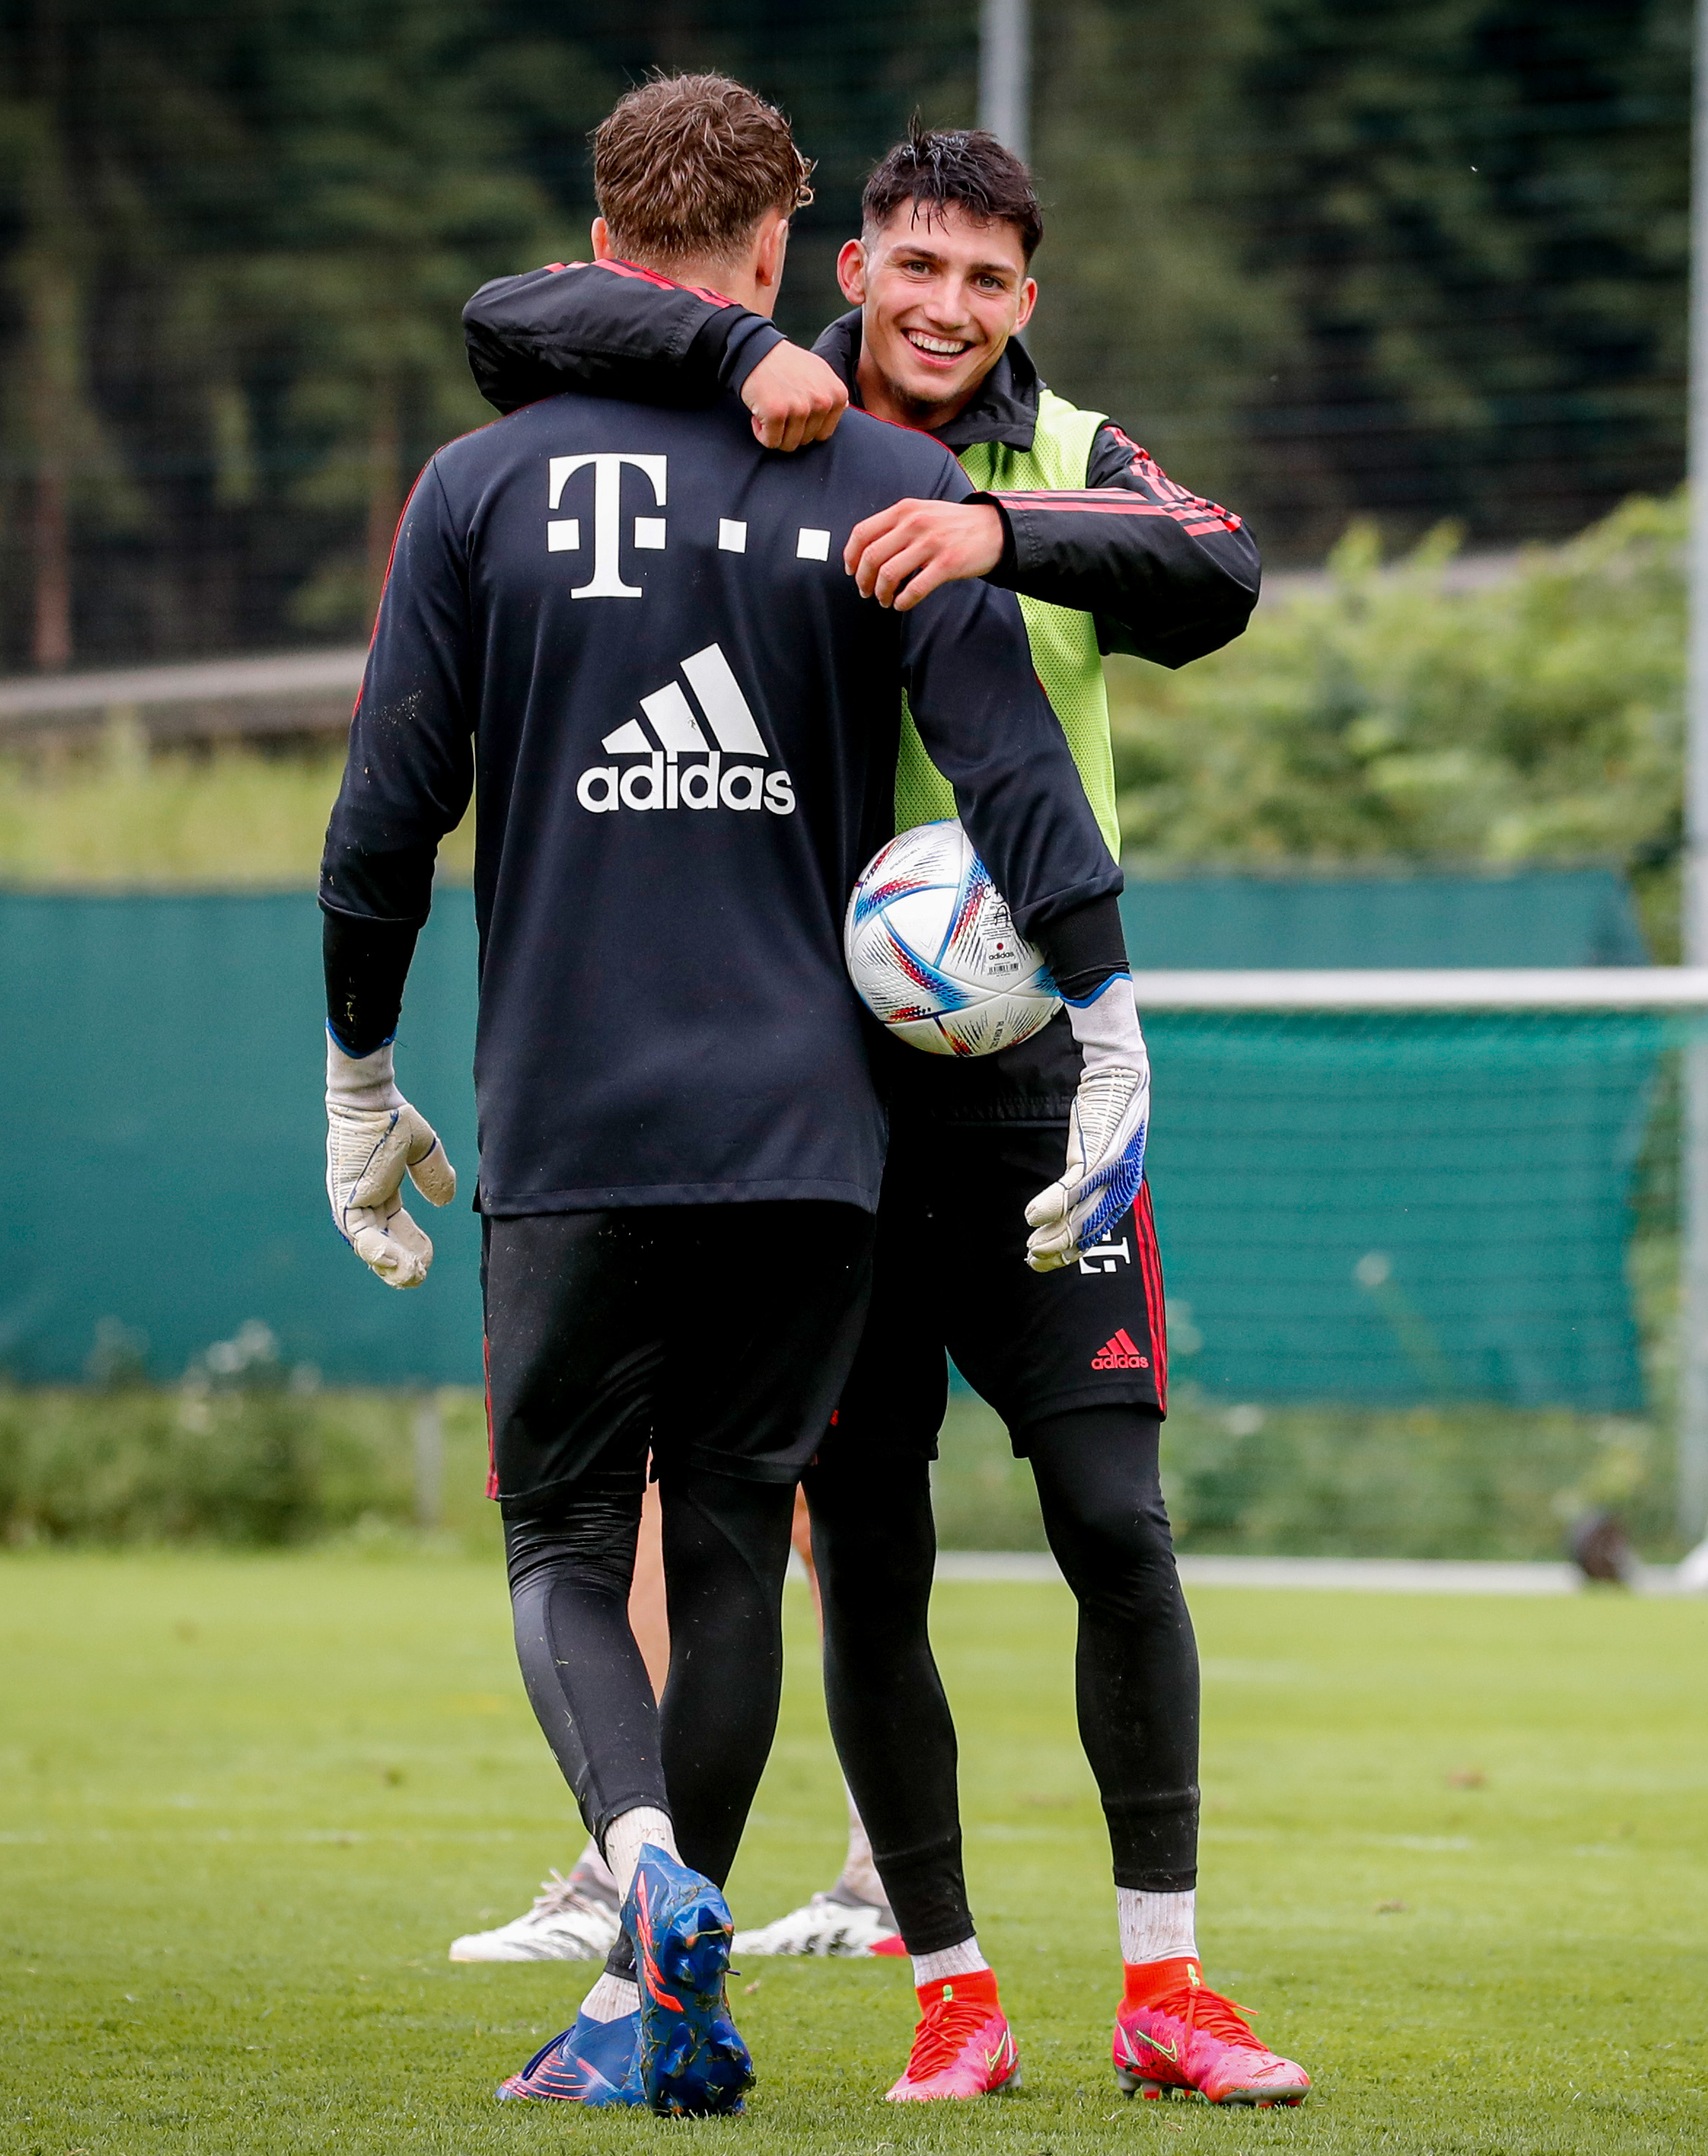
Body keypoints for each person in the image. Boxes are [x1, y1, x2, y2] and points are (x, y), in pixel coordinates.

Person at [313, 77, 1149, 2114]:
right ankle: (646, 2001)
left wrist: (357, 1069)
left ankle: (644, 1882)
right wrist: (1106, 1012)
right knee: (736, 1535)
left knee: (568, 1554)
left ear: (608, 246)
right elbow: (1018, 768)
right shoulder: (876, 477)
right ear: (785, 254)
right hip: (807, 1138)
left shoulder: (479, 490)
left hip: (579, 1122)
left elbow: (378, 825)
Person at [443, 129, 1304, 2108]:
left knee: (1111, 1513)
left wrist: (1002, 532)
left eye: (985, 281)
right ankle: (949, 1989)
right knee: (866, 1543)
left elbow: (1220, 568)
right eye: (913, 265)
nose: (942, 307)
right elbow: (518, 317)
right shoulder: (756, 401)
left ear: (1026, 301)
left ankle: (1167, 1985)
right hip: (815, 1089)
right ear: (847, 262)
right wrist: (734, 366)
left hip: (1026, 1080)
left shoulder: (1070, 445)